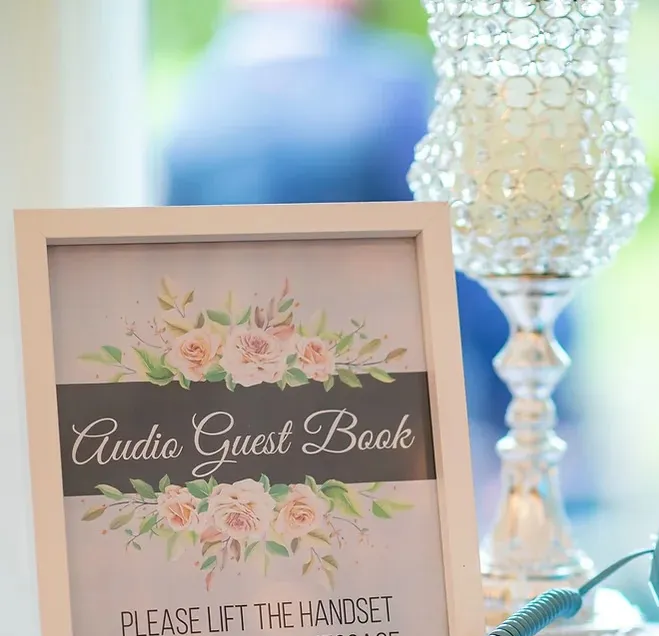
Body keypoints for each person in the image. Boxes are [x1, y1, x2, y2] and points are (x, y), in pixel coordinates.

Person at [160, 0, 587, 514]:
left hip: (233, 434)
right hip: (383, 424)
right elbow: (466, 262)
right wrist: (533, 411)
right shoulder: (390, 89)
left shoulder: (190, 108)